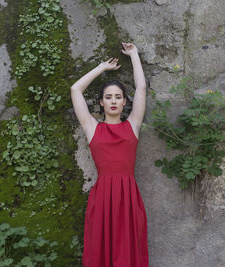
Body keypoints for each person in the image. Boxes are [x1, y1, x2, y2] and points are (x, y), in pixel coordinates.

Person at [70, 42, 149, 267]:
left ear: (125, 102)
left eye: (117, 97)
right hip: (103, 196)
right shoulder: (92, 128)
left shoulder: (132, 125)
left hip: (128, 197)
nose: (113, 101)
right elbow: (75, 89)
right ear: (102, 102)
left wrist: (134, 55)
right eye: (108, 97)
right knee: (100, 252)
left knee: (129, 251)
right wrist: (101, 68)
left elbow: (141, 88)